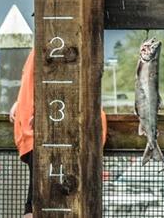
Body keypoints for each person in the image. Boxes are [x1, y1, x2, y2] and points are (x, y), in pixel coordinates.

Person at [11, 49, 107, 218]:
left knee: (40, 203)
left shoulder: (46, 47)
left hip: (48, 135)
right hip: (46, 136)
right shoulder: (53, 46)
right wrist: (26, 105)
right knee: (41, 204)